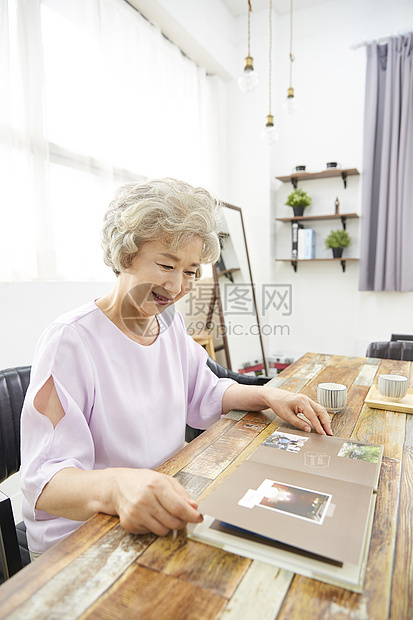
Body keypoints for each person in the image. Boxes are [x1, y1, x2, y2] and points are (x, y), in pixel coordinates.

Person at [20, 178, 332, 557]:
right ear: (125, 255)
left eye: (190, 271)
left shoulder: (168, 323)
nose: (177, 285)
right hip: (83, 539)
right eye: (166, 264)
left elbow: (204, 391)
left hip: (160, 510)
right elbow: (44, 484)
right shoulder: (71, 341)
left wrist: (269, 394)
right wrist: (118, 487)